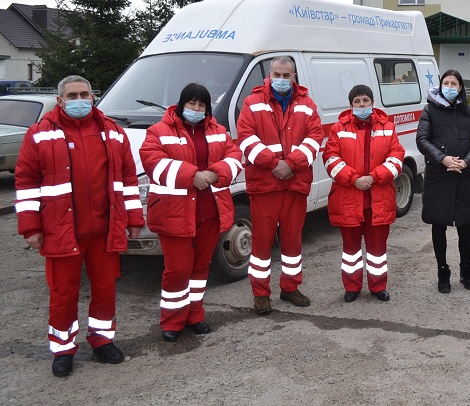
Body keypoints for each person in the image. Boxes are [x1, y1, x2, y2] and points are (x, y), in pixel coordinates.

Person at [14, 75, 144, 377]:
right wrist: (30, 226)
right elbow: (27, 182)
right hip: (61, 231)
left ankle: (102, 341)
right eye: (72, 96)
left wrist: (134, 218)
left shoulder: (113, 133)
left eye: (84, 94)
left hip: (103, 231)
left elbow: (127, 180)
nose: (79, 100)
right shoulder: (40, 134)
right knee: (63, 293)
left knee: (104, 289)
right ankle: (62, 349)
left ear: (93, 96)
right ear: (60, 101)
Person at [139, 83, 243, 342]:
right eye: (191, 104)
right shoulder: (158, 131)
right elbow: (152, 162)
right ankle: (172, 321)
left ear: (207, 108)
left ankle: (195, 315)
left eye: (202, 105)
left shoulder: (218, 131)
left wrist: (214, 172)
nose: (196, 109)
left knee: (199, 269)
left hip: (210, 211)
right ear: (181, 104)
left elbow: (235, 157)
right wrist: (191, 176)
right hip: (174, 213)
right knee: (178, 270)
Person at [237, 56, 323, 313]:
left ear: (294, 76)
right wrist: (274, 164)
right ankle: (261, 293)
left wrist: (292, 163)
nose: (282, 80)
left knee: (292, 241)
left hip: (295, 184)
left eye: (286, 76)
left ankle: (290, 288)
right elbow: (245, 139)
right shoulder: (252, 103)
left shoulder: (307, 104)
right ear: (269, 74)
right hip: (265, 185)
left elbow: (315, 138)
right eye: (277, 74)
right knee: (262, 242)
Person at [323, 84, 405, 302]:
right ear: (350, 105)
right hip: (348, 199)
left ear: (372, 103)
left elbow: (397, 157)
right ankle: (352, 287)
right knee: (350, 251)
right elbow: (330, 159)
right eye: (357, 101)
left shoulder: (388, 126)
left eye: (365, 100)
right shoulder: (338, 129)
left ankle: (378, 287)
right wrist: (354, 179)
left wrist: (375, 177)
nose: (361, 105)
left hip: (378, 199)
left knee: (377, 250)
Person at [416, 69, 470, 293]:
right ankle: (442, 270)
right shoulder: (430, 110)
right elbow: (422, 139)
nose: (450, 87)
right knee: (439, 224)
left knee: (466, 225)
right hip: (439, 175)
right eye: (446, 83)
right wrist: (443, 159)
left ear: (461, 88)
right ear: (440, 85)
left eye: (454, 83)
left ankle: (466, 269)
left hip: (464, 176)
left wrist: (466, 162)